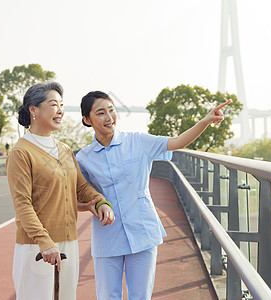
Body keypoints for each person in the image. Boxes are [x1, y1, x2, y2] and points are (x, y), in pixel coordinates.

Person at [75, 91, 231, 300]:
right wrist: (94, 207)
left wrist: (204, 121)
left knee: (140, 297)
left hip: (142, 231)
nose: (109, 117)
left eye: (111, 110)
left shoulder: (138, 141)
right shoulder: (84, 158)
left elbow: (177, 142)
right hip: (107, 236)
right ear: (87, 120)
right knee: (107, 297)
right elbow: (78, 198)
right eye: (101, 113)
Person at [6, 82, 115, 300]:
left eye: (62, 105)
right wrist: (44, 241)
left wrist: (100, 201)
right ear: (33, 110)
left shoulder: (64, 150)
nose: (60, 111)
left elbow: (81, 187)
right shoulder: (21, 152)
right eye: (53, 104)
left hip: (68, 242)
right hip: (37, 246)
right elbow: (23, 204)